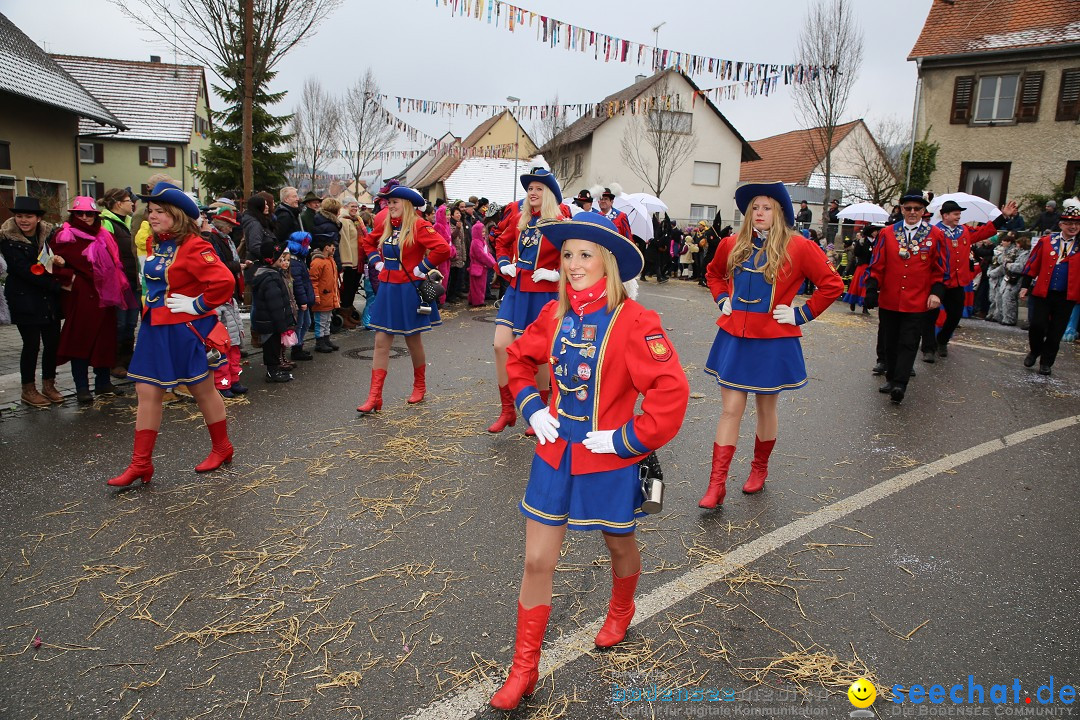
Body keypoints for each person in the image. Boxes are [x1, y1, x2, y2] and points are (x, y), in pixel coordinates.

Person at [490, 214, 689, 711]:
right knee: (536, 560)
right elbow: (517, 358)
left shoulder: (636, 321)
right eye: (567, 255)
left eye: (585, 254)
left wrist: (626, 440)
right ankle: (524, 669)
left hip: (608, 458)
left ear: (608, 262)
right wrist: (532, 407)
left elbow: (671, 393)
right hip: (554, 454)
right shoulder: (555, 315)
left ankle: (622, 607)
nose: (573, 265)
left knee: (619, 543)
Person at [698, 182, 843, 508]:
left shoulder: (800, 246)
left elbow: (832, 284)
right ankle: (716, 485)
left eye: (766, 207)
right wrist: (722, 298)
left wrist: (800, 313)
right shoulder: (732, 244)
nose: (759, 213)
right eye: (755, 208)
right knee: (730, 410)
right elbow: (713, 273)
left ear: (779, 212)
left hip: (773, 342)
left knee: (766, 408)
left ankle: (759, 468)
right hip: (735, 338)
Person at [108, 183, 237, 487]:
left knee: (203, 391)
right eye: (150, 211)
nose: (152, 216)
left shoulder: (195, 245)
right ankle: (141, 464)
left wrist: (197, 305)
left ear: (176, 215)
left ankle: (222, 448)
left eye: (160, 212)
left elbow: (224, 282)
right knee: (147, 392)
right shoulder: (156, 244)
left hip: (185, 331)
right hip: (154, 329)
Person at [487, 169, 569, 433]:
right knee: (501, 345)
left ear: (549, 195)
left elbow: (571, 255)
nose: (532, 193)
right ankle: (507, 409)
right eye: (530, 188)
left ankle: (540, 412)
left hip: (544, 294)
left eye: (538, 188)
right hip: (516, 289)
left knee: (541, 356)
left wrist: (557, 273)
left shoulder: (559, 221)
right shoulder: (519, 217)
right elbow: (500, 242)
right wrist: (502, 263)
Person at [356, 185, 451, 412]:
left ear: (407, 205)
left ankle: (420, 385)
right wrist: (376, 262)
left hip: (409, 290)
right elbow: (367, 242)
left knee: (412, 340)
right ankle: (374, 396)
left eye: (395, 202)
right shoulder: (386, 225)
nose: (391, 206)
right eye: (389, 203)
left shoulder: (418, 225)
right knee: (380, 342)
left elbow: (442, 249)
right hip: (388, 290)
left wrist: (421, 268)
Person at [864, 189, 947, 404]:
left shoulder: (935, 235)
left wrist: (936, 293)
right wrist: (872, 288)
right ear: (901, 209)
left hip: (917, 301)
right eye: (908, 208)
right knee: (890, 342)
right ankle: (891, 378)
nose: (912, 212)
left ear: (923, 211)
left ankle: (900, 384)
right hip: (890, 299)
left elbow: (940, 269)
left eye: (917, 209)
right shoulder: (887, 233)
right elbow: (877, 264)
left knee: (908, 342)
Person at [52, 197, 131, 403]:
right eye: (80, 213)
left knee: (105, 341)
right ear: (73, 214)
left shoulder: (104, 235)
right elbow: (49, 265)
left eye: (90, 214)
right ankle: (82, 387)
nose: (85, 217)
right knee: (80, 342)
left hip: (105, 296)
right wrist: (72, 278)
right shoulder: (64, 236)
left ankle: (103, 383)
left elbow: (115, 262)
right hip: (82, 298)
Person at [925, 199, 1018, 360]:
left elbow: (986, 231)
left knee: (954, 316)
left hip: (958, 282)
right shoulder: (933, 231)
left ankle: (942, 340)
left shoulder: (964, 231)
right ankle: (928, 348)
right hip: (937, 281)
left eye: (959, 214)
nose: (958, 217)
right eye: (955, 214)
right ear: (945, 215)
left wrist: (1003, 217)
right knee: (930, 316)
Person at [0, 196, 65, 406]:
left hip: (48, 299)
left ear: (37, 218)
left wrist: (60, 262)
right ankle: (28, 389)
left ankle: (49, 384)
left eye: (28, 216)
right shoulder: (7, 239)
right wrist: (57, 285)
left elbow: (57, 258)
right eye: (19, 216)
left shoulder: (48, 235)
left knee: (52, 343)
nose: (23, 220)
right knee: (31, 345)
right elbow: (22, 270)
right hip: (24, 298)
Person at [1019, 198, 1080, 375]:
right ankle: (1035, 350)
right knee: (1037, 325)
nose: (1073, 227)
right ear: (1061, 224)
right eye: (1069, 223)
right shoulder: (1047, 241)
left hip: (1066, 296)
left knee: (1056, 331)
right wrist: (1025, 286)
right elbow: (1033, 264)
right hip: (1043, 292)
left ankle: (1046, 362)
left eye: (1076, 224)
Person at [99, 188, 141, 379]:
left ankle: (128, 359)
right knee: (120, 323)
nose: (132, 203)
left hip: (132, 279)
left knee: (131, 322)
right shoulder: (106, 222)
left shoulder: (129, 222)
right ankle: (114, 362)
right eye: (128, 200)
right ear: (118, 203)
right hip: (118, 282)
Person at [252, 238, 297, 383]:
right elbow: (275, 304)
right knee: (271, 347)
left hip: (271, 321)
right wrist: (282, 325)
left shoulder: (272, 273)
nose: (283, 259)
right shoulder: (270, 278)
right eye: (280, 256)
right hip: (270, 321)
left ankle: (275, 370)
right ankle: (272, 372)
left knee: (274, 346)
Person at [309, 236, 340, 353]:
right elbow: (313, 281)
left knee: (327, 320)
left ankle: (326, 339)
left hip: (329, 296)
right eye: (333, 246)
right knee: (321, 321)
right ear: (326, 247)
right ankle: (320, 341)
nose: (334, 248)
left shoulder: (330, 260)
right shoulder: (317, 262)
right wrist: (316, 296)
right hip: (322, 297)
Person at [338, 198, 363, 328]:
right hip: (350, 261)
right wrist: (346, 261)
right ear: (346, 206)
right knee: (347, 288)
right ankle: (344, 313)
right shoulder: (344, 220)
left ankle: (349, 310)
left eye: (356, 206)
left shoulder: (357, 220)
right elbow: (344, 242)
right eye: (352, 206)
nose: (355, 208)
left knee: (353, 287)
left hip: (358, 260)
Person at [844, 224, 878, 313]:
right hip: (863, 266)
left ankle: (865, 306)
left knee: (867, 287)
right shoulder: (863, 241)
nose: (876, 233)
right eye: (874, 231)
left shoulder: (876, 242)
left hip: (871, 266)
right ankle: (853, 302)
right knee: (858, 285)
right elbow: (857, 253)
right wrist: (859, 244)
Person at [1000, 236, 1030, 326]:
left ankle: (1010, 319)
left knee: (1009, 298)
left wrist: (1009, 265)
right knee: (1006, 297)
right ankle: (1006, 317)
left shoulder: (1026, 254)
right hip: (1011, 277)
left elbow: (1021, 267)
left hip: (1018, 278)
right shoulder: (1016, 252)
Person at [469, 213, 497, 306]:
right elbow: (481, 255)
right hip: (478, 267)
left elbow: (487, 253)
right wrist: (492, 263)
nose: (484, 234)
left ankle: (473, 300)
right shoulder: (476, 242)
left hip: (482, 267)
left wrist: (492, 262)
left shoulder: (482, 241)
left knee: (478, 285)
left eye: (484, 232)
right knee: (478, 286)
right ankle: (478, 301)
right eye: (482, 232)